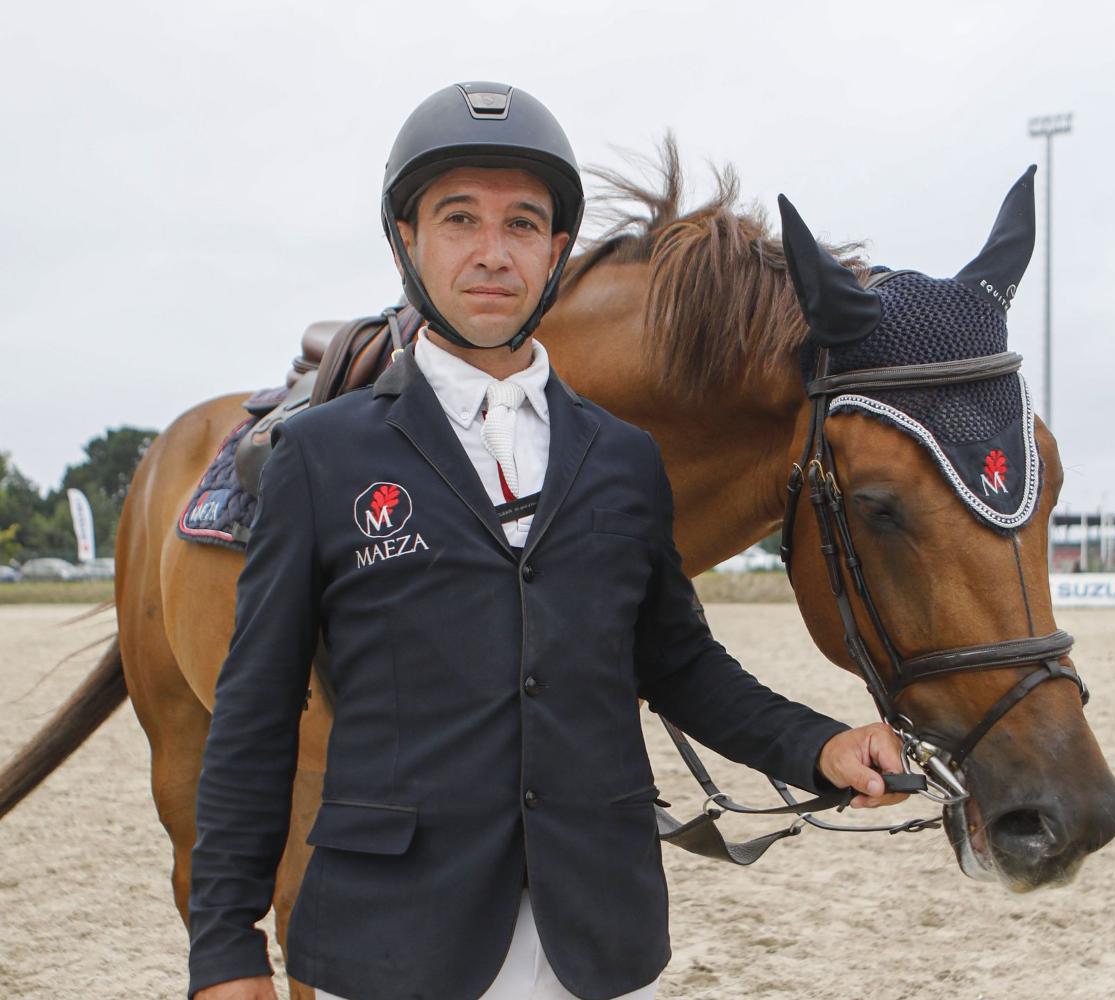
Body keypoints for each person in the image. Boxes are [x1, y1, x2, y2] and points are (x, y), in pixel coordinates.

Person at [187, 82, 907, 1000]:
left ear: (557, 251)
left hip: (597, 938)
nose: (493, 254)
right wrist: (226, 948)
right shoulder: (320, 458)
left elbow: (679, 662)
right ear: (408, 239)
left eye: (523, 225)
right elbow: (253, 717)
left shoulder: (624, 458)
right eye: (459, 220)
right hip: (389, 946)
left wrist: (817, 746)